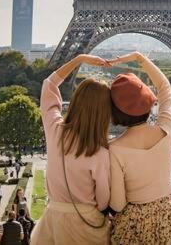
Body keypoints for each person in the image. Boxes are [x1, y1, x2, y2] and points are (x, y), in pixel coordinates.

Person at [30, 53, 112, 245]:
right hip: (86, 224)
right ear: (104, 112)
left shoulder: (55, 130)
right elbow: (103, 200)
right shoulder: (99, 152)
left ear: (75, 101)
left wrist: (79, 59)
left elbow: (49, 84)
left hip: (54, 220)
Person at [108, 51, 171, 245]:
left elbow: (117, 204)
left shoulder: (115, 149)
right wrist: (140, 58)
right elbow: (165, 87)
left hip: (134, 224)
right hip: (169, 216)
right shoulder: (166, 130)